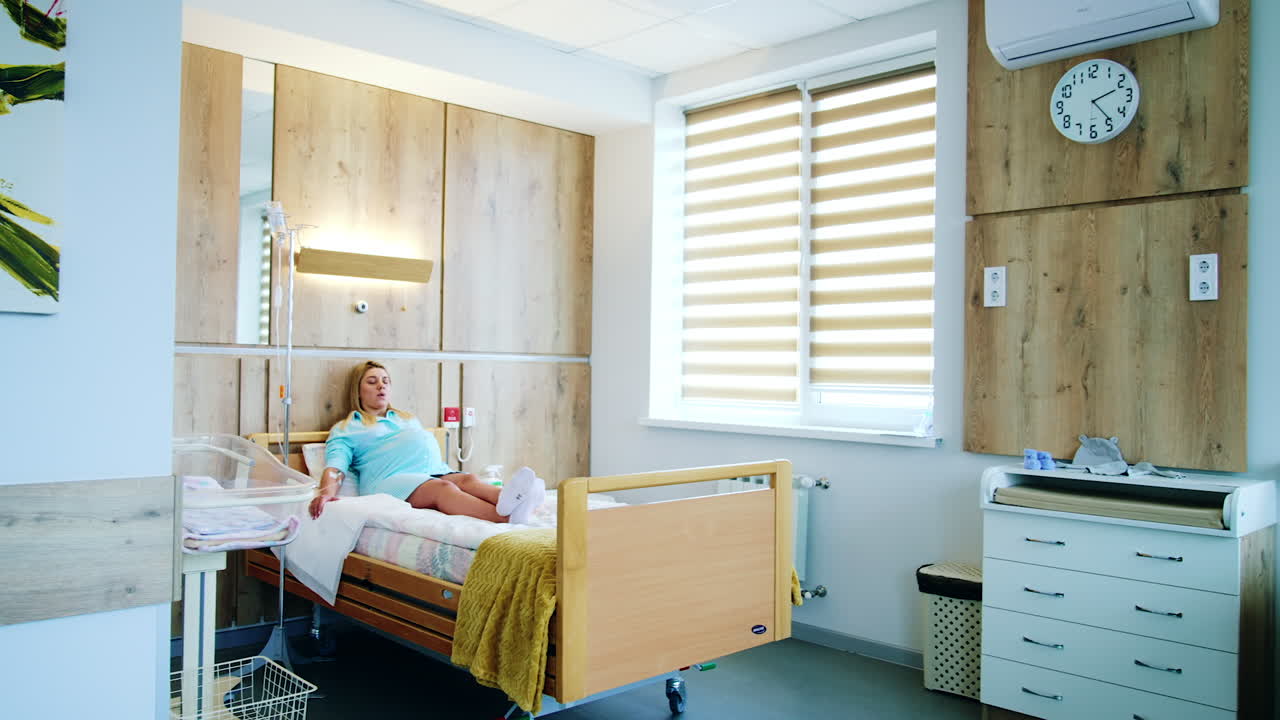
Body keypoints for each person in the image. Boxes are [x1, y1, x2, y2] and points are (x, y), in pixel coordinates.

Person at [307, 360, 545, 524]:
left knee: (467, 479)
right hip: (389, 482)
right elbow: (336, 467)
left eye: (385, 381)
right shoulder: (348, 427)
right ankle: (504, 518)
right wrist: (326, 493)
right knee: (443, 490)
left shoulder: (406, 419)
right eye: (372, 381)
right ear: (358, 391)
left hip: (432, 471)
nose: (381, 385)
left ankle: (513, 500)